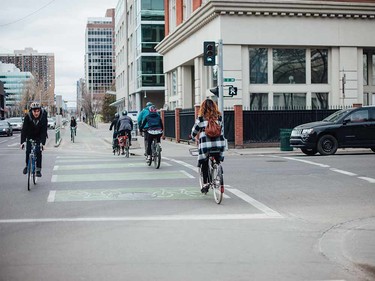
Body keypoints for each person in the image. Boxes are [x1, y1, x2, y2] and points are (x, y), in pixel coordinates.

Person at [191, 99, 225, 193]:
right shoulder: (219, 117)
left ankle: (205, 183)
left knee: (204, 162)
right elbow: (221, 129)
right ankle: (218, 168)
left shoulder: (201, 118)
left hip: (206, 145)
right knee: (217, 159)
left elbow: (195, 130)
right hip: (219, 144)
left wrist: (193, 136)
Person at [20, 102, 48, 177]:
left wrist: (43, 143)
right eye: (34, 111)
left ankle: (38, 169)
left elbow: (44, 131)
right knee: (28, 150)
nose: (36, 113)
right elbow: (24, 130)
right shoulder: (27, 117)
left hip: (39, 135)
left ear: (40, 110)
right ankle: (27, 166)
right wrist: (22, 142)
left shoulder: (43, 117)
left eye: (38, 111)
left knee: (38, 151)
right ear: (31, 111)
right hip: (30, 135)